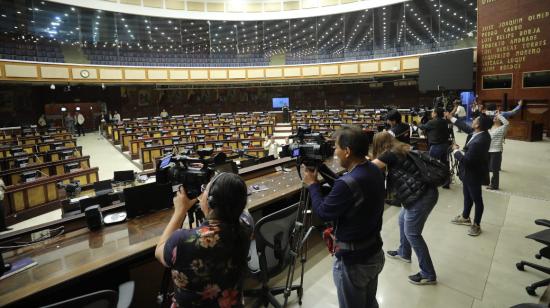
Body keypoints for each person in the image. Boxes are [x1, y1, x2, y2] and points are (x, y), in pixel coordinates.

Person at [303, 126, 385, 308]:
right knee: (369, 303)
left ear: (347, 151)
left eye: (336, 147)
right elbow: (349, 188)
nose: (334, 151)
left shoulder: (347, 184)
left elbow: (323, 212)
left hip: (354, 262)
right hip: (374, 252)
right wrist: (322, 168)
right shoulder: (373, 170)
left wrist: (312, 186)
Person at [155, 173, 252, 307]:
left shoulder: (182, 241)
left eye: (205, 190)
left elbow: (159, 251)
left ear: (211, 201)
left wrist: (180, 211)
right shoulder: (247, 226)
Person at [370, 132, 438, 285]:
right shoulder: (400, 147)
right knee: (402, 220)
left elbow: (371, 167)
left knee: (413, 234)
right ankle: (404, 252)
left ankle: (428, 273)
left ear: (379, 145)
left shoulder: (390, 154)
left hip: (421, 196)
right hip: (419, 193)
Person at [446, 112, 493, 236]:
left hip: (473, 173)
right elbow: (466, 128)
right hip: (467, 173)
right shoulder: (479, 133)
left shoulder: (480, 141)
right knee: (467, 196)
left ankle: (476, 224)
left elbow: (467, 160)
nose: (472, 120)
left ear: (477, 125)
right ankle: (465, 217)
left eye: (474, 120)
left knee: (477, 199)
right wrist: (452, 119)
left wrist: (456, 151)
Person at [487, 100, 523, 190]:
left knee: (495, 168)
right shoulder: (491, 124)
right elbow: (513, 112)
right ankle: (492, 178)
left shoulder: (501, 122)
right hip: (490, 146)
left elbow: (507, 121)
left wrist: (498, 114)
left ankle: (494, 184)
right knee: (491, 166)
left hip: (496, 146)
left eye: (496, 116)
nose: (494, 117)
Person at [419, 107, 451, 188]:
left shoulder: (432, 122)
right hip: (445, 145)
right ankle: (446, 183)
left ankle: (432, 183)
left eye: (432, 112)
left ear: (436, 114)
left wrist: (420, 120)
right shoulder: (444, 121)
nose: (431, 113)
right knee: (445, 165)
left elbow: (422, 127)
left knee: (431, 165)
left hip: (436, 146)